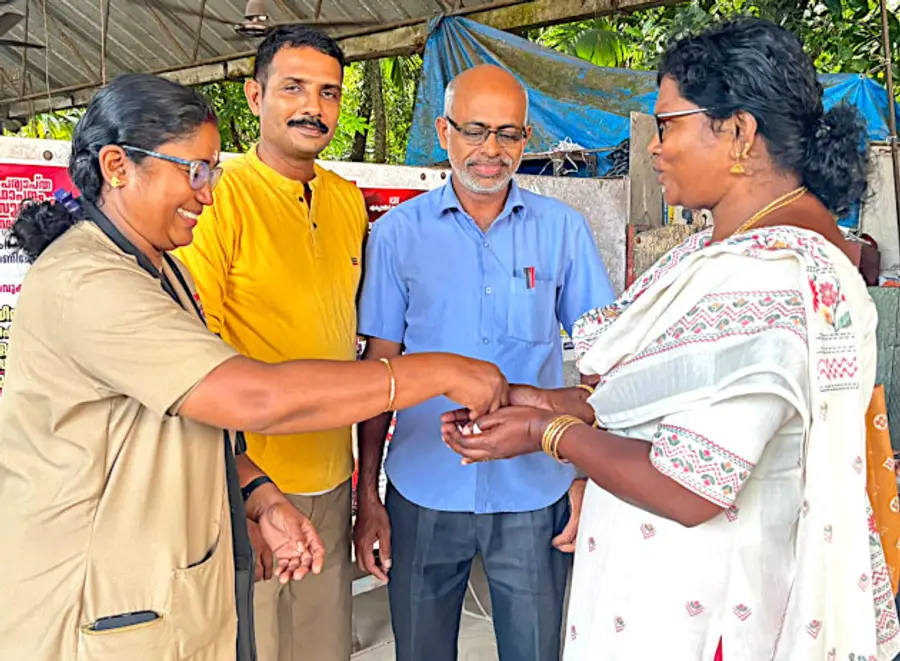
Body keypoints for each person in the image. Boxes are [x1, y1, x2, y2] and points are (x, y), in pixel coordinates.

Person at [0, 73, 507, 661]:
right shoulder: (88, 283)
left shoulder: (160, 268)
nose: (206, 195)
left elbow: (189, 417)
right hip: (93, 606)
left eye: (212, 172)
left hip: (164, 586)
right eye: (193, 171)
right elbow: (253, 398)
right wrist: (439, 373)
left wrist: (259, 495)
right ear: (117, 166)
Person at [441, 18, 900, 661]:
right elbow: (662, 397)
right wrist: (543, 401)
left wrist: (546, 433)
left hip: (707, 616)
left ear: (738, 132)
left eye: (667, 124)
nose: (654, 148)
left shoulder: (771, 273)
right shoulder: (724, 251)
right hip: (670, 595)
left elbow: (691, 488)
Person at [354, 64, 616, 661]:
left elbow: (604, 366)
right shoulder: (396, 235)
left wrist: (585, 477)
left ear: (527, 138)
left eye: (508, 133)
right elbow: (377, 374)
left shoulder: (563, 231)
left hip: (536, 489)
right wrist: (369, 497)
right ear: (443, 131)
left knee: (535, 651)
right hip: (423, 487)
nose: (491, 150)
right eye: (474, 131)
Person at [173, 26, 367, 661]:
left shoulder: (347, 201)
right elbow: (194, 349)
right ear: (255, 97)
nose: (314, 107)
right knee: (250, 644)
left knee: (323, 645)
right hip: (247, 482)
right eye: (294, 88)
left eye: (328, 93)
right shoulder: (218, 200)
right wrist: (242, 490)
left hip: (332, 476)